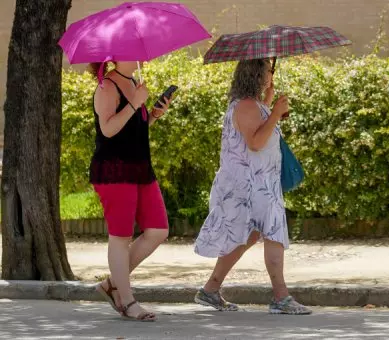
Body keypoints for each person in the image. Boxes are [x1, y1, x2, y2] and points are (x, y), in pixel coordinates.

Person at [194, 58, 311, 315]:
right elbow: (256, 142)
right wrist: (276, 114)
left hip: (255, 181)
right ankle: (281, 298)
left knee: (248, 234)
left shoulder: (251, 105)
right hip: (253, 184)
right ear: (256, 75)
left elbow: (256, 129)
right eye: (268, 70)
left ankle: (210, 290)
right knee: (273, 232)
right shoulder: (246, 106)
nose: (271, 73)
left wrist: (268, 105)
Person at [90, 61, 172, 322]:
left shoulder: (135, 84)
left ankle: (112, 284)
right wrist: (135, 103)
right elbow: (108, 129)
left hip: (140, 168)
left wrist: (154, 115)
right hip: (115, 170)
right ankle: (127, 301)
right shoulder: (107, 87)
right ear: (117, 53)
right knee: (120, 237)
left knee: (159, 230)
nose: (142, 56)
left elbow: (132, 131)